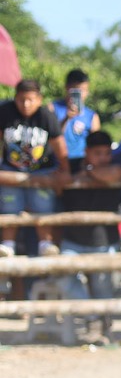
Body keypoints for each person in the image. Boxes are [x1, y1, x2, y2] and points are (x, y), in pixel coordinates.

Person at [57, 129, 121, 343]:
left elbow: (114, 174)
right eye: (98, 153)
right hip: (72, 239)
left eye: (107, 153)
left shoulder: (115, 165)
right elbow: (58, 181)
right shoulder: (70, 165)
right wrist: (79, 175)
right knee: (63, 279)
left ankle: (104, 328)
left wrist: (88, 172)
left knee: (103, 288)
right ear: (86, 152)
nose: (104, 158)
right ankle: (93, 317)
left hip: (104, 241)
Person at [1, 78, 70, 257]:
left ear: (39, 99)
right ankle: (7, 245)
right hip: (11, 169)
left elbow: (59, 145)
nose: (25, 104)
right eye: (21, 99)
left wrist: (65, 169)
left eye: (30, 100)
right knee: (9, 205)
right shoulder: (5, 112)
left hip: (42, 170)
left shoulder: (46, 116)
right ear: (15, 98)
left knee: (43, 206)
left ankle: (45, 244)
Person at [52, 69, 100, 164]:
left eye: (84, 90)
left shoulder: (92, 116)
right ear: (67, 88)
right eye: (77, 90)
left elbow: (97, 145)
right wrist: (66, 118)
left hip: (81, 164)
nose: (81, 94)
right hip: (55, 162)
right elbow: (52, 136)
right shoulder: (52, 108)